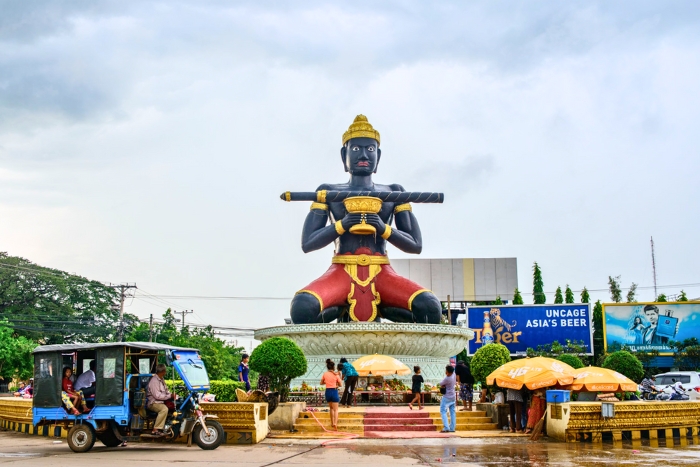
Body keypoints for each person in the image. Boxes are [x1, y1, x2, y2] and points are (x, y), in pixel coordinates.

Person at [289, 115, 443, 324]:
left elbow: (415, 245)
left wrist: (382, 228)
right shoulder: (329, 192)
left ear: (378, 156)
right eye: (355, 149)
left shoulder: (393, 192)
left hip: (382, 272)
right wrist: (343, 224)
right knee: (302, 307)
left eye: (370, 149)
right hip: (341, 271)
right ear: (344, 154)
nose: (363, 155)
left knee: (430, 307)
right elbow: (308, 243)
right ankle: (334, 323)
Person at [146, 363, 176, 436]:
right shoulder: (154, 381)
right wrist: (169, 396)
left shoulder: (161, 379)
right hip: (153, 403)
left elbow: (166, 391)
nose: (165, 372)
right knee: (164, 409)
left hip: (161, 401)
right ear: (162, 371)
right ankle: (155, 429)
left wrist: (173, 396)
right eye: (165, 370)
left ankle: (168, 426)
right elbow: (157, 396)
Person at [320, 359, 342, 431]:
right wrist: (336, 384)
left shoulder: (325, 374)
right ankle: (335, 423)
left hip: (328, 392)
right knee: (336, 410)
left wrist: (327, 382)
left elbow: (321, 383)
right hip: (334, 391)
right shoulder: (335, 374)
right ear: (333, 367)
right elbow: (340, 384)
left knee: (331, 408)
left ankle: (332, 423)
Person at [439, 365, 457, 433]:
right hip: (453, 396)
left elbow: (441, 383)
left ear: (448, 372)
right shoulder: (454, 374)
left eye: (446, 370)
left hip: (447, 396)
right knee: (452, 412)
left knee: (443, 410)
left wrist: (446, 376)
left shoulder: (447, 378)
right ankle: (452, 428)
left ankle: (446, 427)